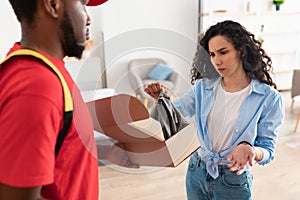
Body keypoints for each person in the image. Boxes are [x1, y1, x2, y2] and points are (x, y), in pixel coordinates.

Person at [0, 0, 138, 199]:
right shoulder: (37, 86)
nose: (88, 18)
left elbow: (58, 144)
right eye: (82, 4)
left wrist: (106, 152)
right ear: (53, 5)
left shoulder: (48, 71)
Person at [144, 20, 285, 200]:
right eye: (212, 54)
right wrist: (162, 100)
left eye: (223, 52)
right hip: (197, 170)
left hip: (233, 180)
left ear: (241, 51)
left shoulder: (269, 98)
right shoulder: (203, 88)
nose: (216, 61)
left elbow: (267, 149)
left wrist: (250, 149)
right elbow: (175, 115)